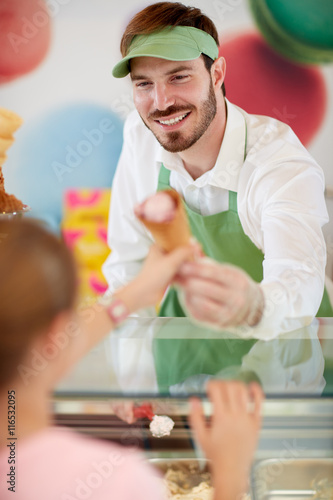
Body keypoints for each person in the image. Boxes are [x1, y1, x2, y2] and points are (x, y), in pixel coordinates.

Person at [103, 1, 333, 339]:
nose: (162, 102)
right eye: (144, 84)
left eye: (178, 77)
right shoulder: (140, 136)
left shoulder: (278, 162)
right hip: (183, 351)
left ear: (217, 74)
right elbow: (127, 267)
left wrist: (253, 305)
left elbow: (297, 281)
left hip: (285, 358)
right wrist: (130, 376)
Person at [0, 218, 263, 500]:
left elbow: (54, 344)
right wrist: (230, 476)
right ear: (55, 335)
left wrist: (137, 292)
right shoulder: (115, 484)